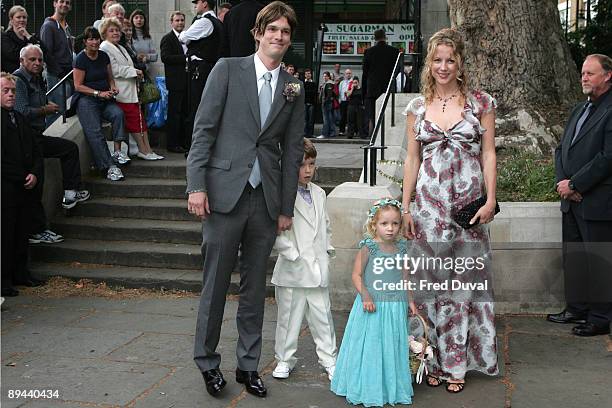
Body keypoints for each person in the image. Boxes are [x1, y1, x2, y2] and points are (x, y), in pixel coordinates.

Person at [186, 1, 303, 399]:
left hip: (265, 201)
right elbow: (203, 130)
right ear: (258, 33)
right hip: (223, 196)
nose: (279, 37)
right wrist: (196, 186)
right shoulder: (227, 70)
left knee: (254, 290)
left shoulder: (293, 87)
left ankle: (248, 366)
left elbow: (291, 153)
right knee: (215, 285)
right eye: (272, 30)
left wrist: (285, 208)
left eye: (285, 32)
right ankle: (207, 361)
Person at [401, 28, 499, 393]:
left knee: (462, 286)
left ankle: (457, 363)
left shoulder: (481, 103)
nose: (443, 67)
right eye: (437, 60)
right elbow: (411, 159)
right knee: (427, 286)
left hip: (467, 211)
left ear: (460, 64)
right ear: (430, 63)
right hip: (427, 210)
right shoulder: (417, 107)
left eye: (450, 60)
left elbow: (489, 153)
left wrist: (490, 199)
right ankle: (432, 358)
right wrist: (406, 206)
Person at [547, 54, 612, 337]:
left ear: (608, 75)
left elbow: (607, 157)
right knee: (574, 257)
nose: (583, 77)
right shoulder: (579, 109)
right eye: (583, 73)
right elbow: (562, 149)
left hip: (597, 200)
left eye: (590, 73)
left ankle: (599, 317)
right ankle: (577, 308)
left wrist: (575, 184)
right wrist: (563, 182)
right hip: (570, 199)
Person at [331, 198, 415, 406]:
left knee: (391, 346)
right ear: (374, 225)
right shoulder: (369, 248)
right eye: (384, 223)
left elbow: (405, 278)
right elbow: (357, 275)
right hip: (373, 305)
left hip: (395, 305)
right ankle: (368, 386)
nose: (390, 229)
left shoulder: (402, 249)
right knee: (372, 346)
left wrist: (410, 301)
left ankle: (389, 387)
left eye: (395, 223)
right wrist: (366, 296)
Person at [271, 138, 337, 381]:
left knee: (323, 318)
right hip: (293, 270)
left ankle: (330, 359)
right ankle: (284, 359)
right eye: (302, 165)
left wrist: (327, 250)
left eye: (312, 164)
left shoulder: (319, 193)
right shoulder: (281, 194)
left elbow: (325, 226)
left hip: (318, 268)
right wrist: (292, 255)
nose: (308, 170)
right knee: (289, 319)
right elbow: (275, 231)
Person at [13, 44, 89, 249]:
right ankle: (36, 230)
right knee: (36, 184)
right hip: (25, 141)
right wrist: (44, 110)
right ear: (22, 61)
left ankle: (71, 191)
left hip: (38, 136)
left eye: (39, 60)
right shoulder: (18, 81)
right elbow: (21, 112)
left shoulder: (38, 79)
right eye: (32, 60)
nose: (37, 63)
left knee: (69, 149)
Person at [1, 72, 44, 297]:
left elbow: (35, 149)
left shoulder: (19, 117)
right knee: (6, 235)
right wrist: (21, 176)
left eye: (13, 91)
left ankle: (21, 272)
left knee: (21, 232)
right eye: (5, 91)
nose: (10, 95)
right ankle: (4, 278)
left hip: (25, 186)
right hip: (6, 188)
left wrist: (34, 174)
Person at [100, 18, 163, 161]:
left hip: (131, 90)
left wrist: (135, 72)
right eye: (112, 30)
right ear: (105, 33)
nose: (116, 33)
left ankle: (148, 149)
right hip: (121, 92)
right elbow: (114, 70)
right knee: (134, 121)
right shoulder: (105, 47)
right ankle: (143, 150)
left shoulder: (120, 47)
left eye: (117, 30)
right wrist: (134, 71)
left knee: (140, 120)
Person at [72, 26, 126, 181]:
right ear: (85, 42)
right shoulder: (81, 59)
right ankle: (109, 167)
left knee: (118, 114)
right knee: (95, 132)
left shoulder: (103, 56)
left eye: (96, 39)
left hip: (105, 98)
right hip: (86, 100)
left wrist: (113, 87)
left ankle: (117, 152)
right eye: (91, 39)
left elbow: (110, 78)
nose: (94, 42)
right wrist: (97, 93)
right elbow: (78, 85)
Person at [179, 0, 223, 145]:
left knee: (196, 107)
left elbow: (183, 37)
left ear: (204, 3)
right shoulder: (216, 22)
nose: (195, 5)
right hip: (210, 68)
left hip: (200, 69)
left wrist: (187, 36)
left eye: (197, 2)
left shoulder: (205, 21)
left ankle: (194, 144)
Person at [40, 0, 74, 127]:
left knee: (66, 110)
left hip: (67, 74)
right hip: (56, 76)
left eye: (68, 2)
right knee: (56, 113)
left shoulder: (66, 26)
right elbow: (46, 53)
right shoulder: (49, 25)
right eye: (61, 1)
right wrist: (59, 73)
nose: (65, 5)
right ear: (54, 3)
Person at [160, 11, 189, 153]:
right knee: (174, 114)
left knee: (184, 113)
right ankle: (172, 143)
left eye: (182, 20)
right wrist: (186, 58)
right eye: (177, 20)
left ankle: (183, 142)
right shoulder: (167, 38)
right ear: (171, 22)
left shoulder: (188, 38)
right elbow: (165, 57)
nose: (180, 23)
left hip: (187, 82)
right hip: (175, 82)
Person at [362, 29, 400, 135]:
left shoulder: (369, 52)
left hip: (373, 89)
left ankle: (377, 135)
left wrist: (364, 92)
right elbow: (397, 70)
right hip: (388, 87)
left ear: (375, 38)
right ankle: (387, 135)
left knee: (374, 116)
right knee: (388, 114)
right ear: (385, 37)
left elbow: (365, 73)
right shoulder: (394, 51)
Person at [1, 6, 45, 74]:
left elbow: (42, 50)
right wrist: (29, 47)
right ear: (11, 19)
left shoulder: (30, 36)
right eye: (18, 17)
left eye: (24, 17)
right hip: (12, 75)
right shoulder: (5, 37)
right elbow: (13, 55)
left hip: (33, 76)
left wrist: (28, 36)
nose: (22, 20)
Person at [317, 71, 336, 139]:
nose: (324, 77)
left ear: (328, 77)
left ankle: (324, 133)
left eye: (326, 76)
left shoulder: (329, 84)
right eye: (324, 76)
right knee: (329, 119)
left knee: (326, 119)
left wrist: (325, 102)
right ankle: (331, 132)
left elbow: (329, 95)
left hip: (327, 104)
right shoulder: (326, 83)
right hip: (327, 103)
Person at [303, 67, 317, 138]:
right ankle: (305, 133)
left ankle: (310, 133)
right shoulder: (302, 83)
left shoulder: (313, 83)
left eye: (309, 73)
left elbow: (314, 93)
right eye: (307, 74)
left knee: (311, 119)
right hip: (304, 103)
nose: (308, 75)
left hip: (311, 103)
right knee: (305, 119)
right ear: (305, 75)